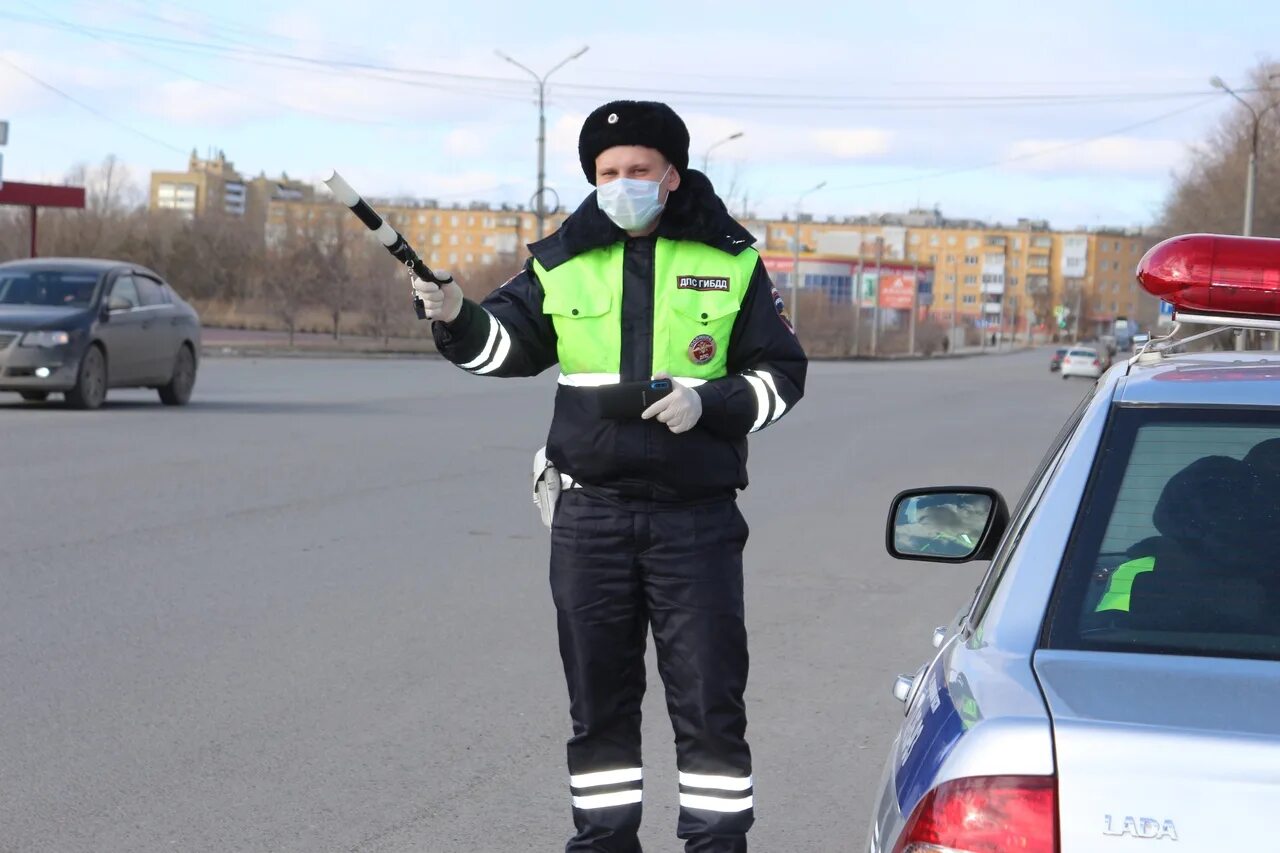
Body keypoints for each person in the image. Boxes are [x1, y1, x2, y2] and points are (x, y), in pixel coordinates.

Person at [414, 100, 807, 853]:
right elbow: (504, 348)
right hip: (590, 520)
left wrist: (710, 402)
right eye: (607, 173)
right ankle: (601, 843)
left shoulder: (731, 261)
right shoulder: (562, 259)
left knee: (711, 709)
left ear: (672, 176)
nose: (621, 183)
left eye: (637, 170)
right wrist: (455, 313)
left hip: (696, 522)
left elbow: (782, 376)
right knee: (598, 710)